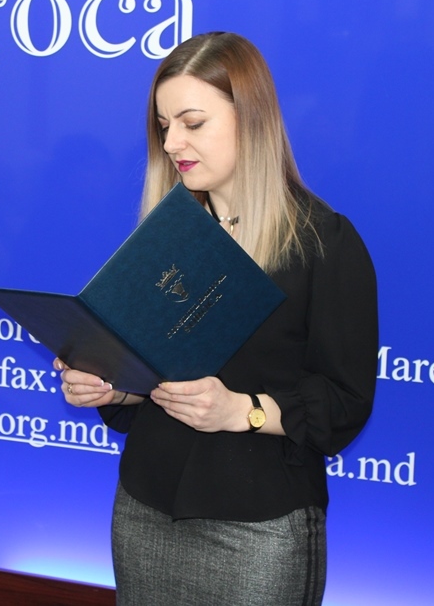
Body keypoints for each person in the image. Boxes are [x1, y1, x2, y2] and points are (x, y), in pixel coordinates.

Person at [55, 32, 377, 606]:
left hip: (259, 526)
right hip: (144, 510)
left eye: (193, 122)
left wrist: (241, 411)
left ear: (251, 119)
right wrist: (112, 385)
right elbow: (152, 376)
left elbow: (345, 401)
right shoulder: (167, 238)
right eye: (163, 125)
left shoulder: (324, 243)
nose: (172, 142)